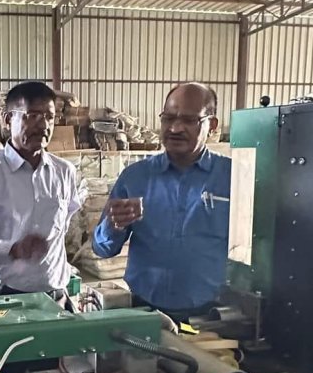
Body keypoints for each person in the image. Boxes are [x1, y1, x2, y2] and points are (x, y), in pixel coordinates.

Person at [92, 82, 231, 322]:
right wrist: (113, 226)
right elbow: (102, 248)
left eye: (189, 120)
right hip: (144, 311)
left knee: (206, 361)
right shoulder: (135, 177)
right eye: (168, 118)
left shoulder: (232, 178)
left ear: (212, 125)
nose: (175, 128)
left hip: (209, 317)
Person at [0, 81, 84, 302]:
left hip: (54, 298)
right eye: (32, 115)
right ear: (7, 119)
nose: (43, 125)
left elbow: (64, 226)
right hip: (1, 298)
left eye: (49, 117)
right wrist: (12, 249)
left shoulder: (64, 172)